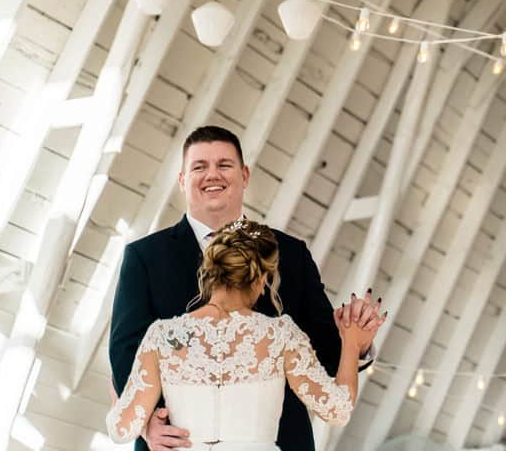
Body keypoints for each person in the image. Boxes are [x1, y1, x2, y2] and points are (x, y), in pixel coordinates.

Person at [109, 126, 383, 451]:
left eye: (224, 164)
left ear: (244, 174)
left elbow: (325, 350)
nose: (212, 174)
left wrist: (359, 346)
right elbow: (124, 352)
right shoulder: (145, 256)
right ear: (183, 180)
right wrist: (147, 425)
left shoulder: (290, 253)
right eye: (199, 166)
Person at [106, 219, 377, 449]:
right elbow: (337, 409)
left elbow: (121, 428)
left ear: (209, 272)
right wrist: (351, 343)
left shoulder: (164, 336)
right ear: (262, 279)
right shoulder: (279, 336)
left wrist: (117, 397)